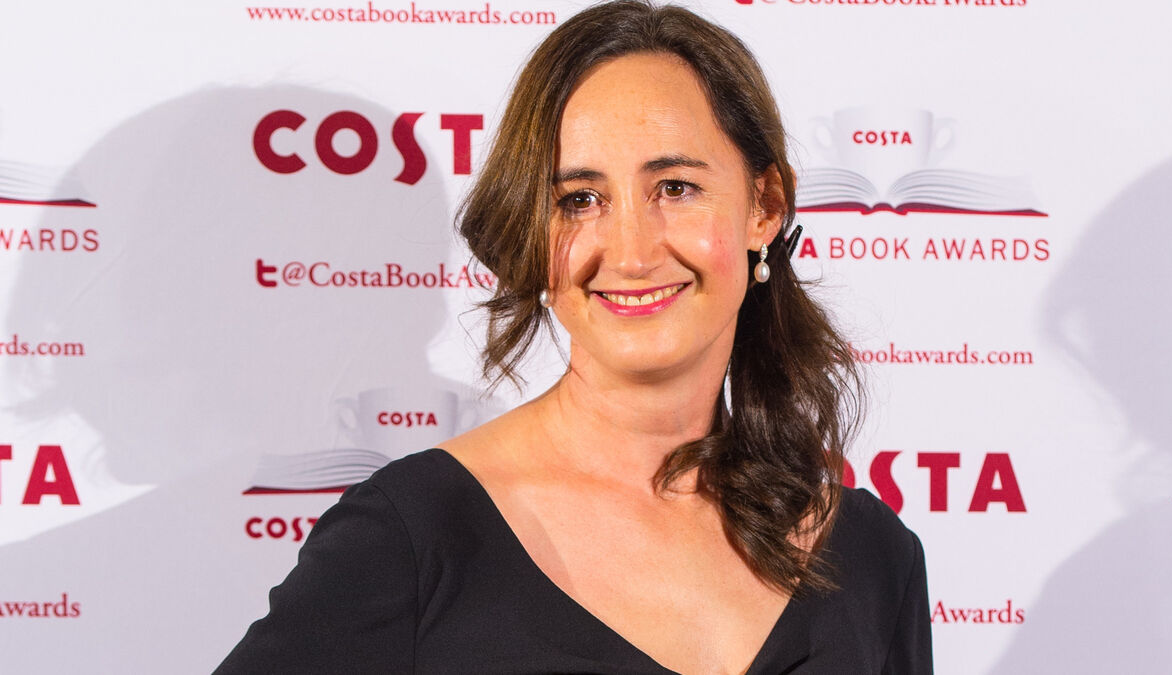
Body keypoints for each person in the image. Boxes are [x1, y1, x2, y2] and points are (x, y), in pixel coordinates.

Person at [216, 2, 932, 673]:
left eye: (675, 187)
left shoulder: (871, 552)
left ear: (764, 206)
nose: (632, 253)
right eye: (579, 200)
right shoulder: (411, 536)